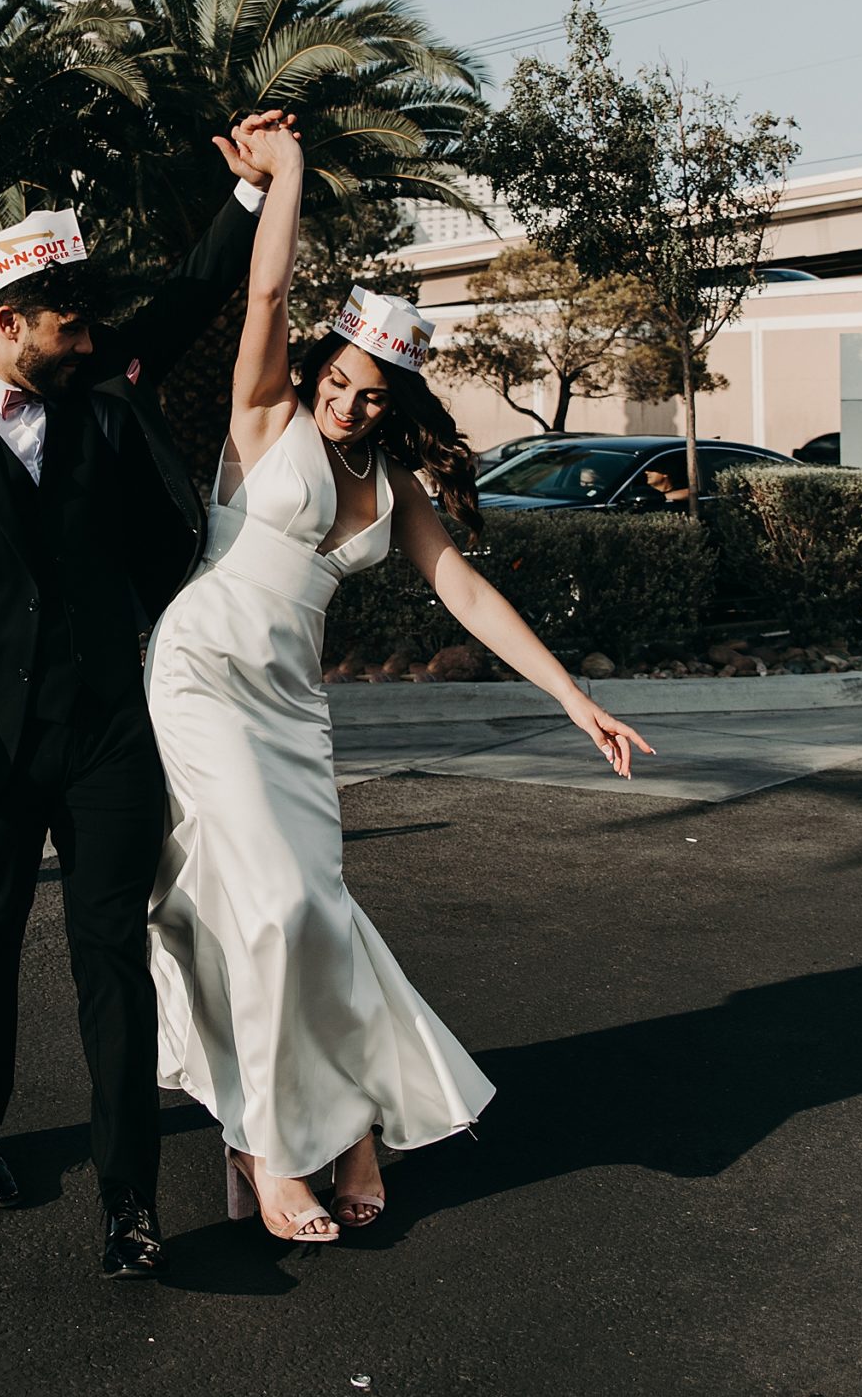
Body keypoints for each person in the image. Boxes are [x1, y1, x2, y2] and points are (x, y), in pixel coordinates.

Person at [146, 121, 654, 1243]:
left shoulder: (392, 482)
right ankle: (275, 1147)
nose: (347, 404)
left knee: (309, 910)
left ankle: (356, 1124)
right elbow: (267, 294)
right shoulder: (265, 415)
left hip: (288, 701)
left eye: (371, 394)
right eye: (338, 381)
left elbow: (466, 595)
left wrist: (574, 698)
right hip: (198, 670)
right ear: (317, 371)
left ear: (398, 401)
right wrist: (282, 181)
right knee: (273, 905)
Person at [0, 116, 288, 1282]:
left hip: (106, 730)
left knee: (110, 953)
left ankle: (130, 1200)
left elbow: (188, 306)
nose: (87, 338)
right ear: (5, 325)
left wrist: (244, 197)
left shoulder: (95, 389)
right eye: (66, 323)